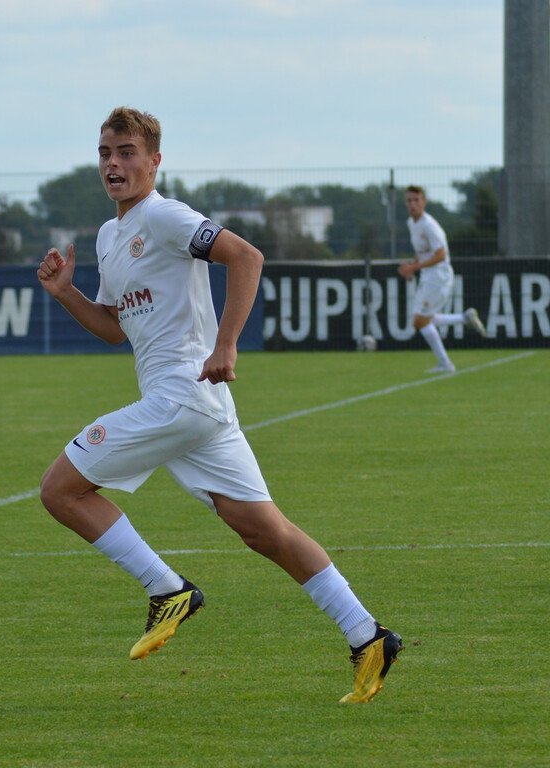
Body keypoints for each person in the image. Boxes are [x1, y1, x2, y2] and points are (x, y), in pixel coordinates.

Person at [36, 107, 403, 703]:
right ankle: (368, 635)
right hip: (193, 405)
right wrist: (65, 292)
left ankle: (166, 589)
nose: (113, 163)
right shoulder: (110, 236)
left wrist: (226, 342)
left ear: (155, 161)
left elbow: (246, 257)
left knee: (60, 489)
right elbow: (112, 328)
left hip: (184, 393)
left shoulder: (165, 215)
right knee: (265, 531)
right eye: (105, 152)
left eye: (127, 152)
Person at [399, 185, 487, 373]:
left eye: (416, 200)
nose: (413, 204)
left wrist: (414, 267)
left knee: (420, 321)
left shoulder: (429, 225)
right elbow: (421, 250)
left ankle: (446, 364)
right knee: (424, 319)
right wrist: (413, 267)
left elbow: (441, 255)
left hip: (439, 275)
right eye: (409, 200)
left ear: (424, 202)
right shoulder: (411, 223)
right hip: (428, 274)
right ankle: (464, 319)